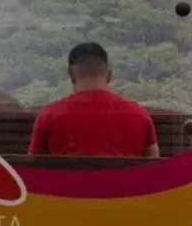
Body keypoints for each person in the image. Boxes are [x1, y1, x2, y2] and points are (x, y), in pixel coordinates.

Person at [28, 42, 159, 157]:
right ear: (109, 75)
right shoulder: (139, 114)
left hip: (68, 179)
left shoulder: (49, 115)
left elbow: (32, 165)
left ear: (72, 76)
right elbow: (153, 164)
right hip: (124, 179)